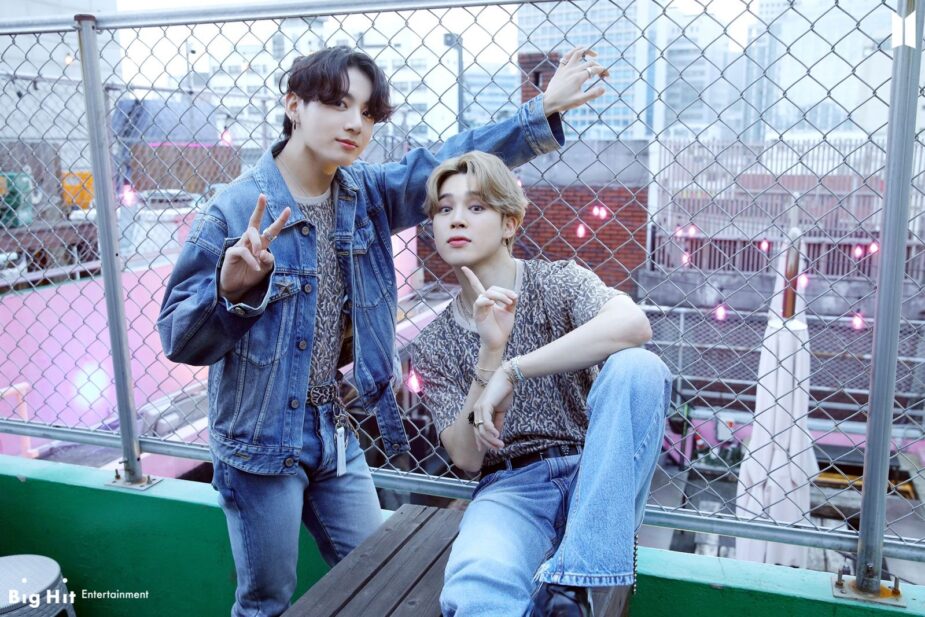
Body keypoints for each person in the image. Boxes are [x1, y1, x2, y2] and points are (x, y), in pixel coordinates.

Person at [158, 45, 609, 617]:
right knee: (265, 600)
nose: (355, 123)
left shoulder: (365, 196)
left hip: (334, 429)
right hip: (259, 438)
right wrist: (231, 293)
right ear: (293, 105)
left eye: (368, 113)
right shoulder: (234, 209)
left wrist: (538, 111)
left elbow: (447, 160)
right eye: (338, 104)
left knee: (380, 572)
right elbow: (179, 338)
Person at [410, 151, 672, 616]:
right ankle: (570, 593)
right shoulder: (434, 342)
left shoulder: (557, 283)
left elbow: (634, 324)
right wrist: (492, 351)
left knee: (639, 367)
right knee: (475, 590)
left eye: (476, 206)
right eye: (444, 209)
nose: (456, 219)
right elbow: (468, 458)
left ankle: (574, 584)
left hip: (597, 472)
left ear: (509, 223)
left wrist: (514, 369)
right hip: (512, 487)